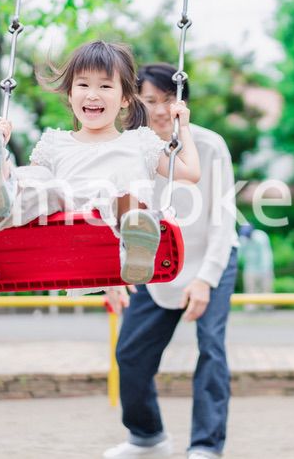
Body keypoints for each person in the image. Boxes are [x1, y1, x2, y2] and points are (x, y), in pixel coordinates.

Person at [0, 41, 200, 285]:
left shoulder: (141, 141)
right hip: (64, 216)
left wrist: (182, 127)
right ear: (70, 93)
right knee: (39, 184)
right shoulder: (53, 142)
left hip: (114, 220)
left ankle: (136, 242)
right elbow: (32, 185)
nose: (92, 94)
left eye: (105, 86)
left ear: (126, 98)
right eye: (83, 84)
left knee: (123, 196)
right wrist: (0, 148)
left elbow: (190, 173)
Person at [103, 63, 238, 459]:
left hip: (211, 259)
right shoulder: (126, 151)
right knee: (130, 354)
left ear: (183, 104)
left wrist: (206, 280)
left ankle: (205, 447)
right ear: (135, 103)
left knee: (211, 349)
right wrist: (114, 272)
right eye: (150, 100)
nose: (160, 110)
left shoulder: (209, 146)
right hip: (155, 264)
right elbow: (116, 221)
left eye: (168, 100)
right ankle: (148, 437)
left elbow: (223, 219)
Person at [238, 224, 274, 311]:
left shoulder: (261, 237)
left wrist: (265, 270)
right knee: (250, 289)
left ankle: (268, 308)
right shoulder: (242, 239)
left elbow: (266, 255)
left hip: (264, 268)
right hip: (250, 268)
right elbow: (239, 254)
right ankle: (250, 309)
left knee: (266, 289)